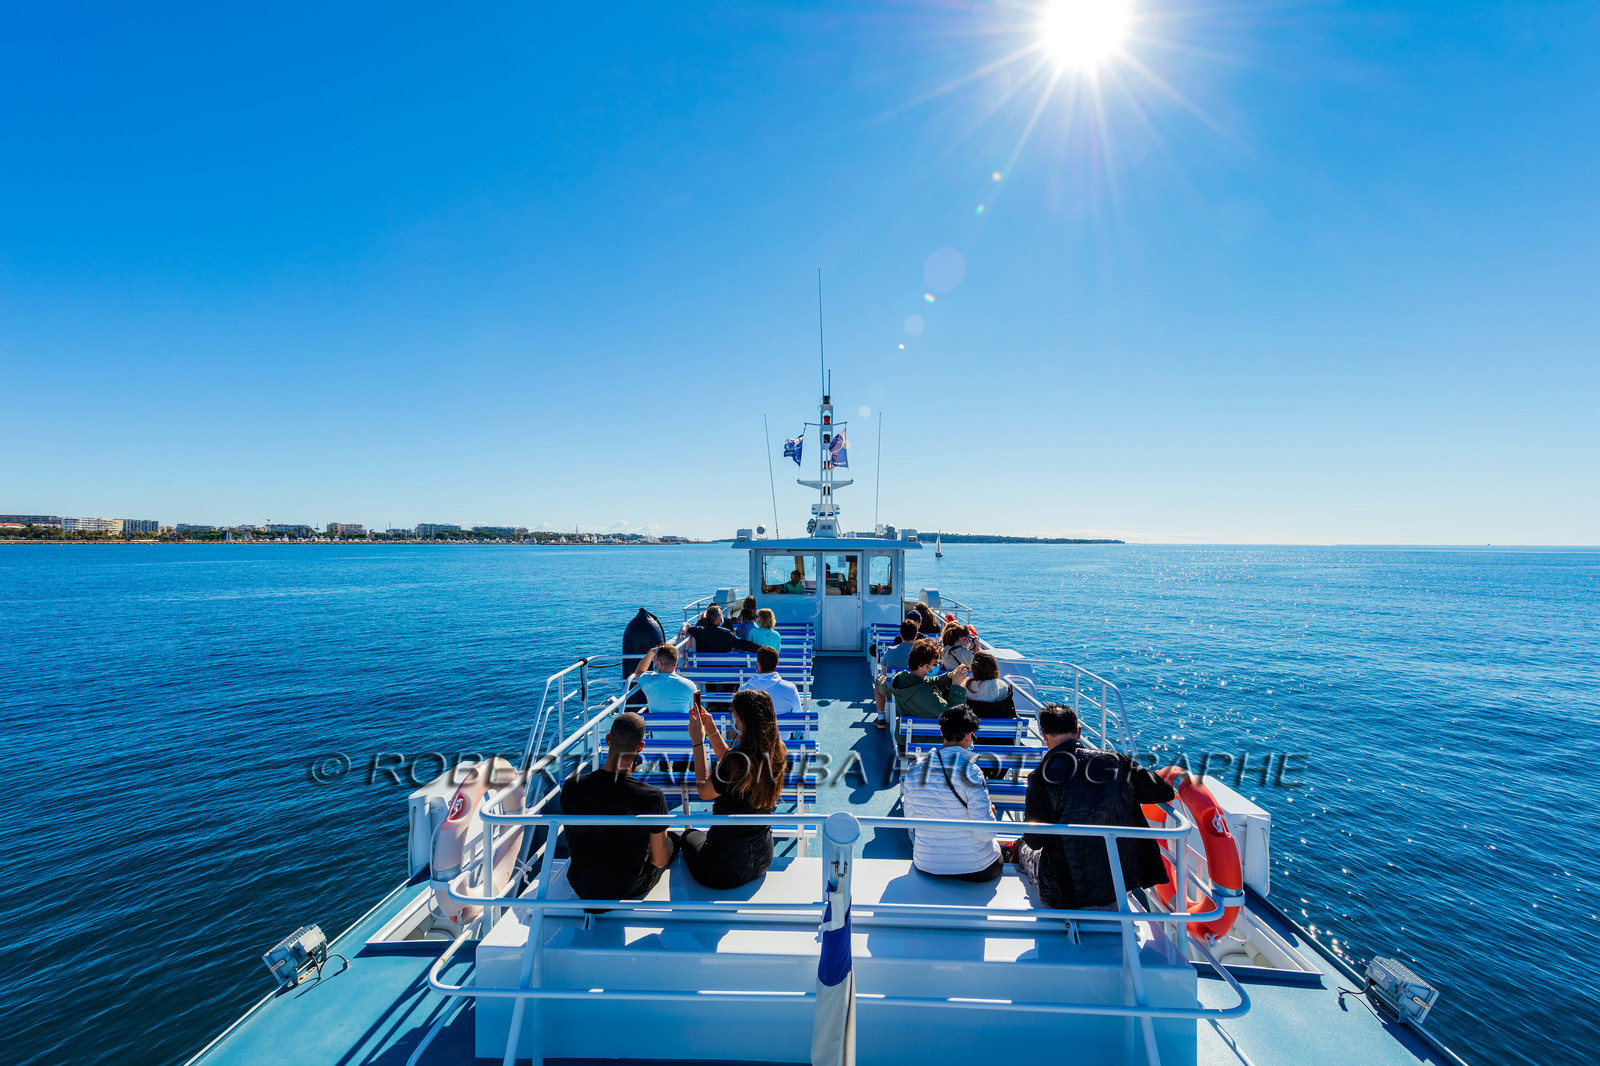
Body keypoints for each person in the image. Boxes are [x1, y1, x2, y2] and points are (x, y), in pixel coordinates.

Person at [1017, 705, 1178, 910]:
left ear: (1043, 735)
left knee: (1024, 848)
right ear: (1079, 731)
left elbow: (1035, 840)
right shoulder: (1115, 760)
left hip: (1067, 891)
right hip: (1121, 879)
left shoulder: (1040, 777)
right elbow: (1163, 791)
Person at [558, 711, 676, 900]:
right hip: (626, 889)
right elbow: (659, 861)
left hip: (581, 885)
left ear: (607, 739)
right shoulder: (652, 797)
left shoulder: (571, 787)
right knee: (672, 842)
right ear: (640, 747)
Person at [682, 688, 788, 888]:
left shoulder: (736, 761)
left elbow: (704, 791)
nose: (734, 719)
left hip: (724, 867)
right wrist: (711, 728)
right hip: (763, 858)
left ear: (744, 720)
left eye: (736, 715)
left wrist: (698, 741)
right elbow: (733, 764)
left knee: (687, 836)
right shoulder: (777, 750)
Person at [900, 706, 1003, 881]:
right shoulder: (972, 772)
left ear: (941, 731)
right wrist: (991, 814)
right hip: (977, 868)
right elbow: (985, 833)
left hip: (927, 863)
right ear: (968, 736)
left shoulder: (915, 768)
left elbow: (911, 818)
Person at [889, 639, 969, 720]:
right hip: (925, 732)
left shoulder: (902, 679)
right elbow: (955, 716)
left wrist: (948, 677)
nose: (937, 666)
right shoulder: (924, 694)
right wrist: (957, 686)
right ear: (921, 664)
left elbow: (924, 683)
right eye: (935, 664)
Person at [873, 618, 920, 726]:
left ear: (900, 635)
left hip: (893, 691)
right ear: (916, 635)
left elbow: (884, 672)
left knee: (877, 684)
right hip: (916, 690)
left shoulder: (891, 650)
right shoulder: (920, 652)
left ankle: (881, 718)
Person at [628, 643, 699, 714]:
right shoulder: (690, 685)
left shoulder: (649, 682)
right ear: (676, 662)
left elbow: (639, 672)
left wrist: (650, 653)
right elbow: (695, 710)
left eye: (654, 659)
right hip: (682, 725)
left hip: (655, 725)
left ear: (658, 663)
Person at [739, 645, 801, 718]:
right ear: (776, 664)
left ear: (758, 664)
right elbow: (798, 715)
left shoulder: (742, 690)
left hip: (753, 729)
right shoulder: (791, 689)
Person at [681, 604, 763, 654]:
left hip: (704, 668)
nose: (723, 617)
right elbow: (742, 644)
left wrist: (684, 627)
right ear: (718, 619)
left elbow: (688, 628)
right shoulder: (725, 633)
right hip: (724, 668)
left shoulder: (698, 630)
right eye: (721, 615)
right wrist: (761, 648)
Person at [964, 653, 1016, 719]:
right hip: (999, 726)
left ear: (974, 669)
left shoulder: (967, 686)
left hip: (972, 726)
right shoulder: (1004, 687)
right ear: (995, 668)